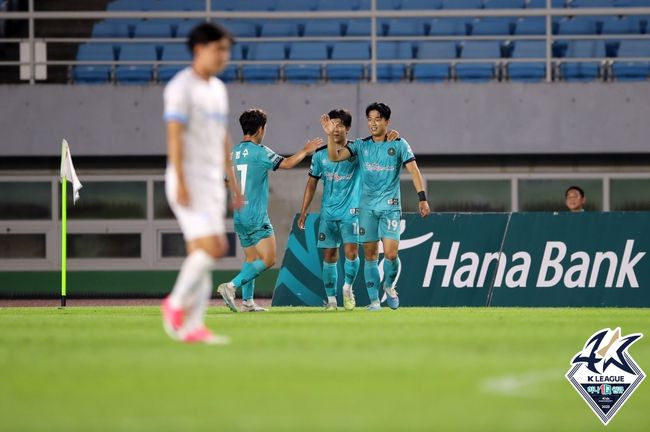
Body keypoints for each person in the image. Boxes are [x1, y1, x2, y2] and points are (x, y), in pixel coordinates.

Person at [161, 23, 242, 344]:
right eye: (218, 49)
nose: (225, 56)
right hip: (188, 179)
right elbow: (174, 136)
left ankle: (192, 327)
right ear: (199, 49)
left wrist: (232, 183)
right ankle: (175, 303)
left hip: (210, 182)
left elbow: (223, 137)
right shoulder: (181, 87)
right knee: (216, 247)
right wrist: (180, 179)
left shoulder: (218, 89)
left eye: (227, 50)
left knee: (201, 254)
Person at [322, 102, 430, 311]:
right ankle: (374, 302)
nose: (372, 123)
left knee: (390, 254)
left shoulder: (398, 144)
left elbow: (414, 170)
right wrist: (329, 135)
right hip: (366, 208)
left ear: (387, 122)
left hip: (390, 206)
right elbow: (334, 157)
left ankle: (389, 286)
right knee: (370, 255)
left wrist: (422, 198)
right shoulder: (361, 146)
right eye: (369, 119)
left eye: (377, 119)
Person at [217, 109, 322, 312]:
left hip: (239, 216)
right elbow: (287, 163)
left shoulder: (231, 154)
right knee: (268, 260)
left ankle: (247, 303)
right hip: (256, 217)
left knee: (251, 259)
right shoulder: (260, 151)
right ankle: (231, 286)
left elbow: (224, 181)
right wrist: (305, 150)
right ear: (260, 129)